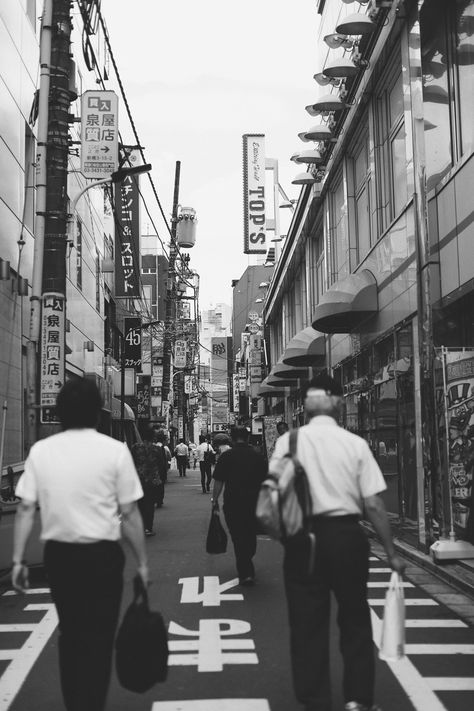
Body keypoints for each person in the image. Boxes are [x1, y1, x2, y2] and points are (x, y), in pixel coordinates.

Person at [270, 374, 406, 711]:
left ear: (303, 407)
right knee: (355, 619)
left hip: (303, 540)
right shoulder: (354, 443)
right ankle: (358, 699)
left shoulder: (288, 442)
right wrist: (391, 554)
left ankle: (315, 699)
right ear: (339, 402)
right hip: (346, 537)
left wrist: (284, 534)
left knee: (306, 623)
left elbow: (274, 496)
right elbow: (373, 504)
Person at [11, 378, 148, 711]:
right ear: (97, 413)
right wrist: (142, 563)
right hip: (103, 556)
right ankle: (93, 703)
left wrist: (17, 560)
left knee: (71, 635)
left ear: (60, 413)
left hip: (61, 556)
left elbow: (27, 507)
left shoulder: (42, 451)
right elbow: (129, 512)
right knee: (100, 636)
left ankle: (76, 703)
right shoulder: (114, 451)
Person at [211, 426, 267, 585]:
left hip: (233, 502)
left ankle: (245, 570)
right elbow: (266, 480)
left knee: (238, 535)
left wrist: (214, 500)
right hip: (254, 502)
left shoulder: (226, 456)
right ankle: (247, 565)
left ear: (232, 439)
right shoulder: (257, 456)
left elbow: (219, 481)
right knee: (250, 533)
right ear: (248, 438)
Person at [132, 425, 166, 535]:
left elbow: (131, 463)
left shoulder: (135, 447)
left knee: (140, 504)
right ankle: (148, 528)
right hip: (152, 480)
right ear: (153, 437)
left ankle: (141, 526)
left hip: (138, 479)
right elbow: (161, 465)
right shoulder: (156, 449)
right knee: (150, 504)